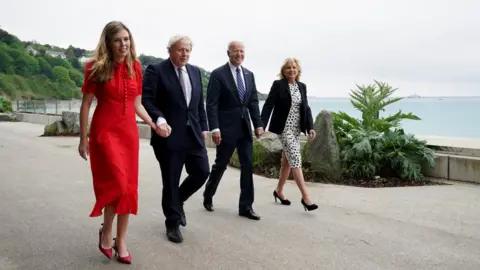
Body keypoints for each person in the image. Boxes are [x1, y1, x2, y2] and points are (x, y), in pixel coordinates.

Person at [78, 21, 157, 264]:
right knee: (118, 187)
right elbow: (86, 104)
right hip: (105, 133)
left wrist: (154, 124)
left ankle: (120, 239)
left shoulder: (136, 67)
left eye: (127, 39)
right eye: (118, 40)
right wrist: (84, 137)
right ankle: (107, 232)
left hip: (128, 134)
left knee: (128, 189)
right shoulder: (95, 67)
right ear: (108, 43)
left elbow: (137, 103)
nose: (124, 44)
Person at [141, 35, 210, 243]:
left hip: (193, 134)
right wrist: (159, 120)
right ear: (169, 50)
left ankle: (177, 201)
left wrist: (204, 128)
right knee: (171, 179)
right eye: (180, 50)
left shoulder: (195, 72)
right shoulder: (156, 70)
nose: (185, 54)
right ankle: (172, 223)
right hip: (168, 135)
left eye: (188, 50)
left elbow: (198, 105)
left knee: (202, 171)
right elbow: (147, 100)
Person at [203, 41, 264, 220]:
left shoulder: (249, 75)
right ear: (228, 53)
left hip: (245, 128)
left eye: (242, 51)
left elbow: (253, 102)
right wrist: (214, 128)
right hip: (225, 128)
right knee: (221, 164)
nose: (239, 54)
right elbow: (211, 104)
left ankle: (246, 206)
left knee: (247, 165)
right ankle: (208, 193)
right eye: (235, 51)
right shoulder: (218, 74)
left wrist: (258, 124)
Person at [260, 57, 318, 211]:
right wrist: (261, 125)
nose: (291, 70)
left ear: (298, 70)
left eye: (294, 67)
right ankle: (306, 198)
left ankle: (279, 191)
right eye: (288, 68)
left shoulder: (302, 87)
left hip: (296, 129)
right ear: (283, 71)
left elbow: (306, 108)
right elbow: (268, 105)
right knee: (296, 158)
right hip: (284, 128)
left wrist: (310, 127)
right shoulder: (278, 85)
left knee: (287, 160)